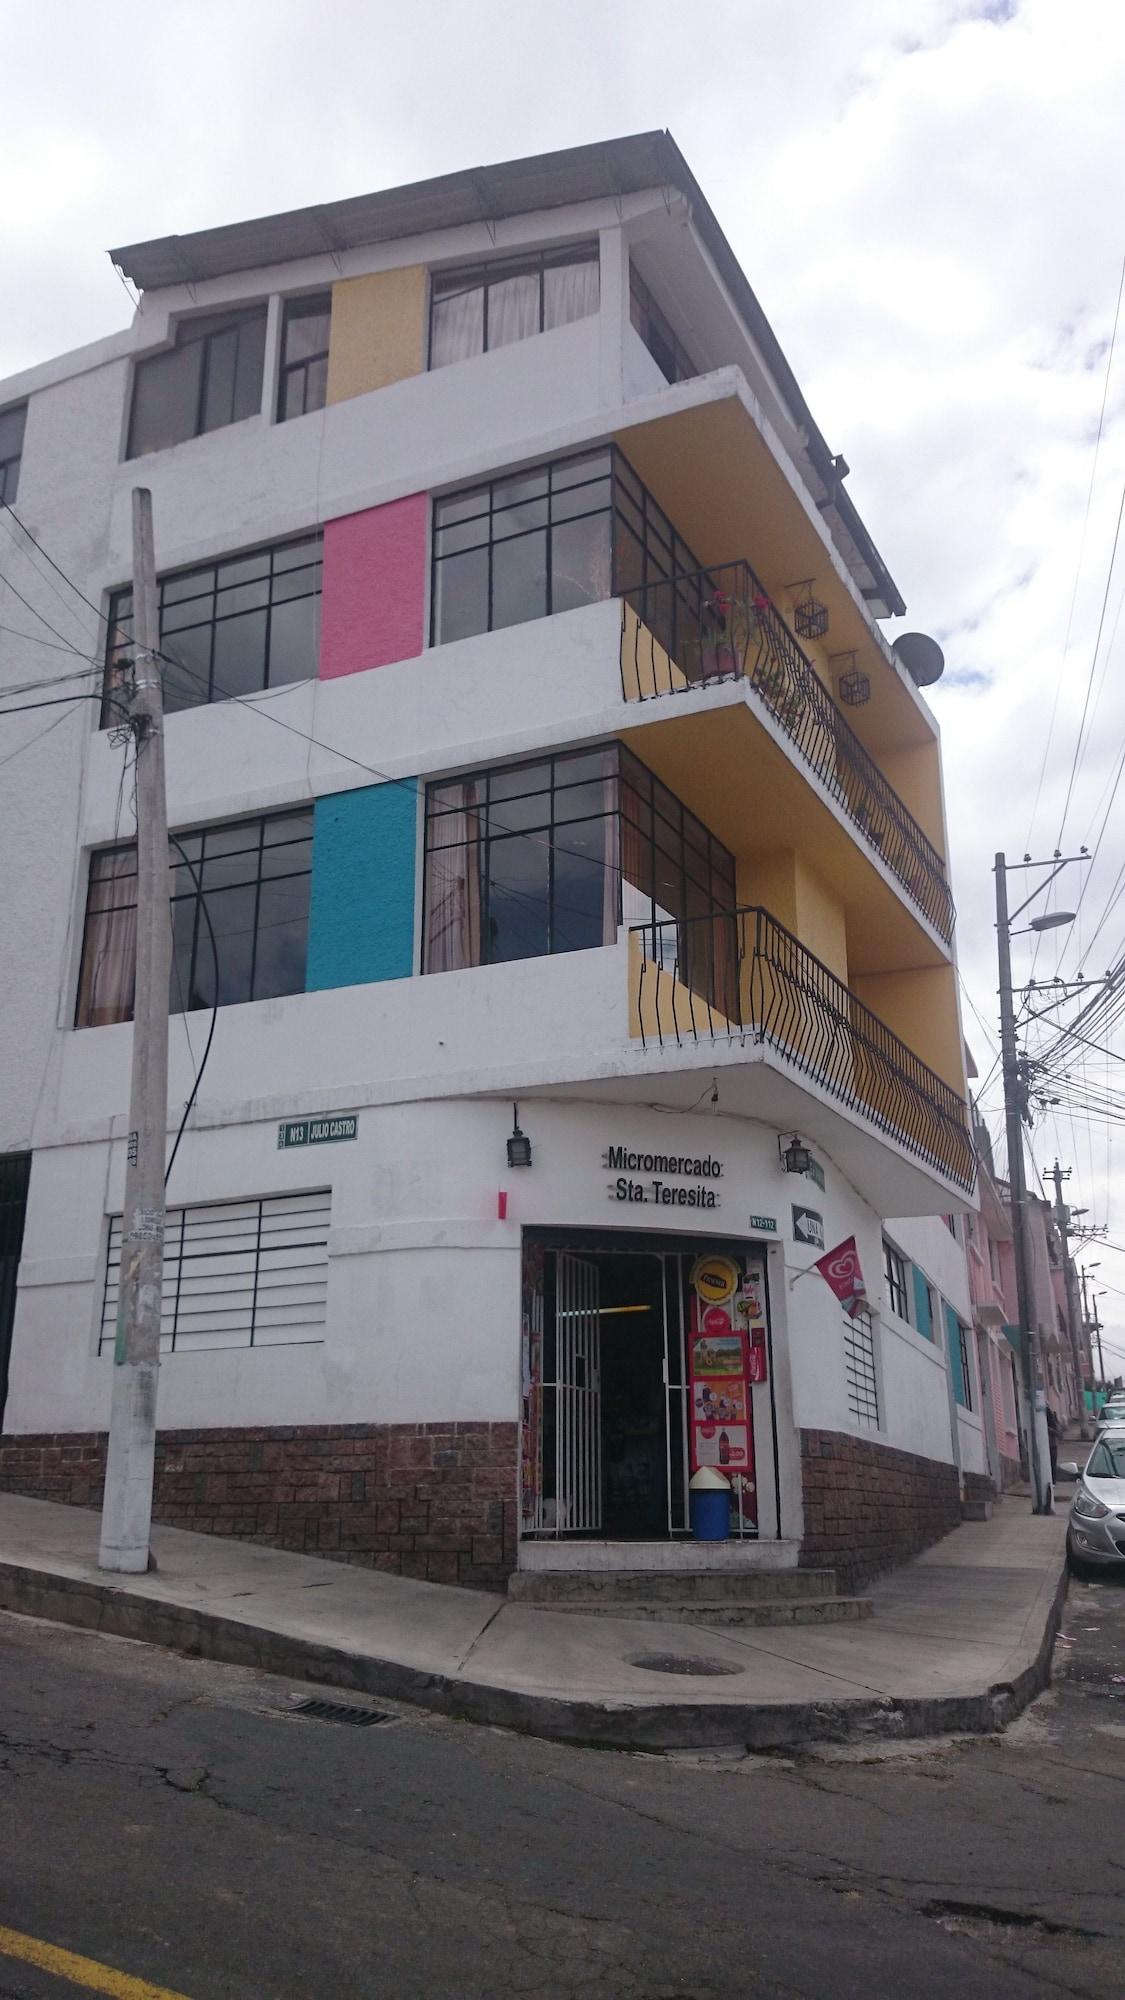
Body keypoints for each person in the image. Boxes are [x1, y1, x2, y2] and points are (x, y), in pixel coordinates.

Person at [1044, 1403, 1061, 1481]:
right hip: (1044, 1447)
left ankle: (1053, 1481)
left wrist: (1049, 1429)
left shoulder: (1052, 1420)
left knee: (1052, 1465)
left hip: (1052, 1446)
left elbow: (1058, 1433)